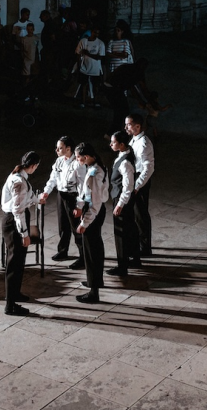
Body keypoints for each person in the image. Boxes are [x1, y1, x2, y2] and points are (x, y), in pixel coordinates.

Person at [0, 150, 41, 316]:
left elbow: (24, 200)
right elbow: (18, 210)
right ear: (32, 166)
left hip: (16, 220)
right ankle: (10, 305)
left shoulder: (21, 177)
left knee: (19, 262)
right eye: (37, 166)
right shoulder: (19, 181)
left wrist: (37, 200)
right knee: (13, 264)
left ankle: (15, 294)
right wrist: (24, 234)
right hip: (14, 223)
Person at [72, 142, 108, 303]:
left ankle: (94, 292)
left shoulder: (94, 173)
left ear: (86, 157)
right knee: (92, 250)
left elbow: (95, 204)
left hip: (93, 214)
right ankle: (92, 281)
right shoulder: (98, 166)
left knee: (92, 252)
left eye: (78, 157)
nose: (77, 160)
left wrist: (84, 223)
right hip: (93, 211)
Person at [39, 136, 82, 265]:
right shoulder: (59, 161)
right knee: (63, 224)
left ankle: (83, 256)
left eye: (60, 148)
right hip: (61, 195)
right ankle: (63, 250)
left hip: (73, 197)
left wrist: (79, 205)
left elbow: (82, 186)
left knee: (76, 227)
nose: (56, 150)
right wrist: (46, 192)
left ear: (68, 149)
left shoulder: (77, 164)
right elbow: (53, 178)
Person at [107, 130, 140, 276]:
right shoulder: (125, 154)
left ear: (121, 144)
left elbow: (128, 186)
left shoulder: (125, 162)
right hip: (122, 198)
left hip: (122, 199)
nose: (110, 144)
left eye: (113, 142)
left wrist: (120, 204)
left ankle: (122, 266)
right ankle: (135, 258)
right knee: (130, 228)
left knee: (121, 232)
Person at [125, 113, 156, 257]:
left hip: (140, 181)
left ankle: (145, 247)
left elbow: (148, 168)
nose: (126, 127)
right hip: (134, 179)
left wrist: (137, 186)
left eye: (129, 124)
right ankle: (138, 243)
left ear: (138, 126)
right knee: (136, 214)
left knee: (141, 215)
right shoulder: (134, 140)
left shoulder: (144, 143)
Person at [73, 26, 106, 108]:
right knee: (83, 85)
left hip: (95, 68)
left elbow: (100, 57)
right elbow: (78, 54)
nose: (96, 35)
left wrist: (87, 53)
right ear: (91, 32)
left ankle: (95, 102)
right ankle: (83, 102)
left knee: (96, 86)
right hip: (84, 67)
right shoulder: (83, 41)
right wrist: (79, 65)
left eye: (98, 33)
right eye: (95, 32)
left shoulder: (100, 43)